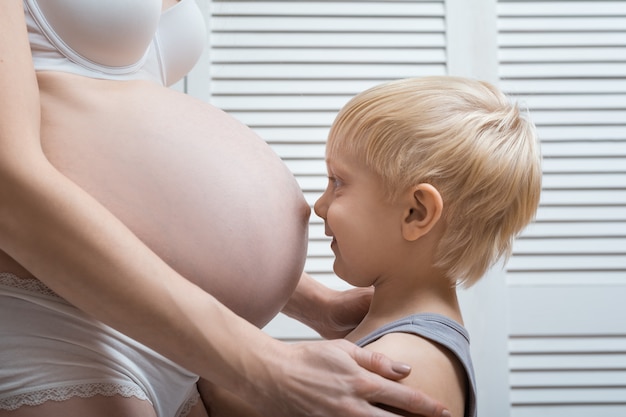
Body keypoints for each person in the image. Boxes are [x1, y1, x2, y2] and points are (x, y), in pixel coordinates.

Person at [0, 1, 450, 417]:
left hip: (179, 332)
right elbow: (8, 185)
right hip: (57, 320)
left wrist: (315, 304)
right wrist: (264, 364)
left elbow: (110, 167)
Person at [196, 76, 543, 417]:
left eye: (338, 182)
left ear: (415, 212)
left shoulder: (405, 365)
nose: (318, 206)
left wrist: (198, 358)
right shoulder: (398, 341)